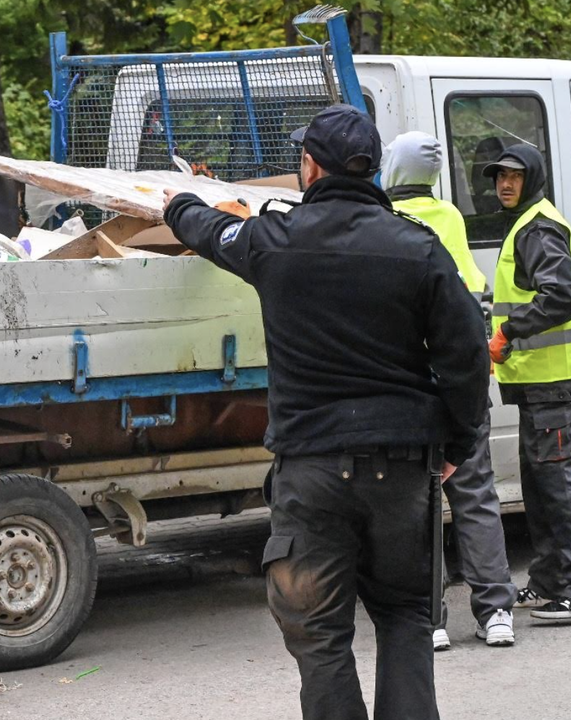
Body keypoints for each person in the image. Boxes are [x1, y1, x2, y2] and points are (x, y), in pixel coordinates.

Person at [163, 105, 490, 720]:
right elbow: (468, 354)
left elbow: (210, 230)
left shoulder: (273, 241)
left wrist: (179, 202)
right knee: (406, 615)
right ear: (373, 170)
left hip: (311, 471)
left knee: (319, 637)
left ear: (310, 167)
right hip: (402, 469)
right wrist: (459, 444)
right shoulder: (418, 247)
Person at [382, 131, 517, 649]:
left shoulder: (385, 221)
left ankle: (431, 618)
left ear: (393, 169)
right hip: (462, 382)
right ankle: (496, 611)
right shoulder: (452, 217)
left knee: (416, 502)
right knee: (475, 494)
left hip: (411, 385)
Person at [484, 145, 571, 621]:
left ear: (532, 178)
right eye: (500, 176)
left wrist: (508, 331)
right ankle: (550, 582)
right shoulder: (526, 223)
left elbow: (561, 296)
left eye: (514, 176)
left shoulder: (537, 227)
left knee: (563, 490)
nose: (505, 184)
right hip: (543, 384)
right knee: (543, 491)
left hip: (557, 384)